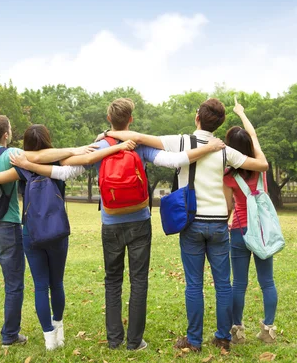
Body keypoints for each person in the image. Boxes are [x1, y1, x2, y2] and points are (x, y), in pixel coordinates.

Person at [64, 98, 226, 352]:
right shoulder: (139, 146)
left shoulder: (99, 145)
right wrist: (208, 148)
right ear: (131, 120)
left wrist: (100, 147)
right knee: (138, 280)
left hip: (110, 221)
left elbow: (68, 166)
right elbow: (176, 160)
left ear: (109, 120)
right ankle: (134, 341)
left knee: (112, 280)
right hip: (139, 220)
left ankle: (114, 339)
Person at [106, 98, 269, 352]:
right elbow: (261, 165)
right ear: (219, 124)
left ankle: (194, 341)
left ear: (197, 118)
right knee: (223, 284)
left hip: (191, 222)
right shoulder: (224, 149)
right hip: (218, 224)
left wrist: (109, 133)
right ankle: (223, 338)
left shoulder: (182, 141)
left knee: (194, 284)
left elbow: (139, 136)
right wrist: (255, 143)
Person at [0, 124, 135, 351]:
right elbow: (89, 159)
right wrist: (108, 145)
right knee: (57, 283)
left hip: (31, 232)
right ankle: (59, 329)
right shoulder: (60, 164)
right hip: (57, 231)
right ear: (48, 141)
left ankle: (49, 338)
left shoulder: (19, 166)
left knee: (40, 285)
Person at [0, 115, 98, 349]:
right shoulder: (11, 156)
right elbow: (39, 157)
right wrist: (76, 148)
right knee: (14, 284)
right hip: (7, 226)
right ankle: (10, 336)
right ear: (6, 134)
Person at [222, 98, 278, 345]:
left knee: (239, 284)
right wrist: (241, 113)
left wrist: (224, 222)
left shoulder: (229, 175)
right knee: (267, 282)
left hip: (239, 231)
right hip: (262, 231)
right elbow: (253, 137)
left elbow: (229, 207)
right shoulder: (260, 166)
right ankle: (268, 330)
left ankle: (238, 331)